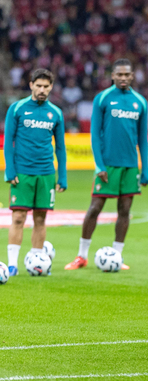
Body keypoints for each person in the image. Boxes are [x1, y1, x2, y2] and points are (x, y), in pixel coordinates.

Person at [64, 59, 148, 271]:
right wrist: (99, 165)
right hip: (108, 165)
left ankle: (117, 256)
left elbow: (142, 138)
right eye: (119, 75)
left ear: (132, 76)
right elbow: (94, 134)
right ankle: (81, 256)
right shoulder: (102, 99)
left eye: (126, 75)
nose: (123, 78)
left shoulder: (140, 102)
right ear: (112, 76)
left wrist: (145, 168)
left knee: (125, 210)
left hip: (130, 166)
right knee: (95, 208)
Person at [4, 69, 67, 276]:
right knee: (19, 217)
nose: (42, 90)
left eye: (46, 86)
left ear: (51, 87)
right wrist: (10, 171)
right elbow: (9, 143)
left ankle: (37, 262)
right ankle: (12, 265)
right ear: (31, 85)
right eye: (38, 85)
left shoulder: (56, 113)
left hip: (46, 173)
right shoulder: (17, 108)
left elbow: (60, 148)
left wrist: (62, 176)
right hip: (22, 173)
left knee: (41, 219)